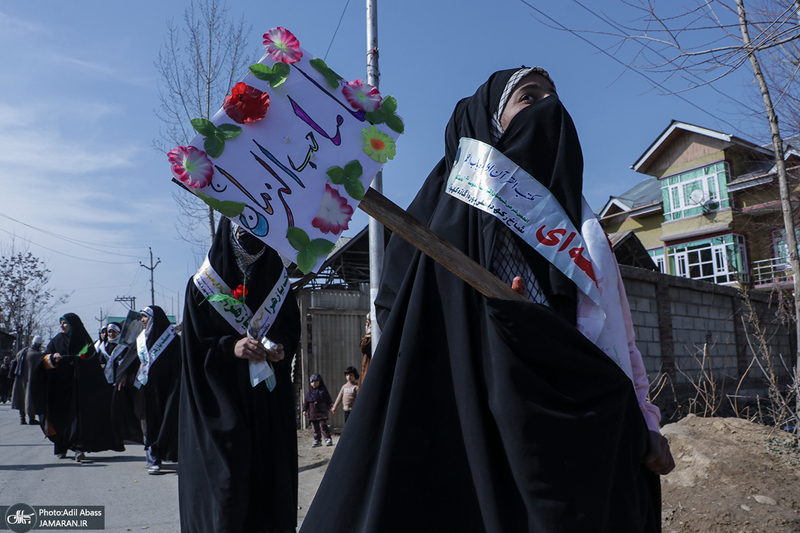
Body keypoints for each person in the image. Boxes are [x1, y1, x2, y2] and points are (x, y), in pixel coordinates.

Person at [299, 67, 673, 532]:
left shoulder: (584, 227)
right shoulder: (446, 216)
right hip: (472, 432)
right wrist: (509, 331)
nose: (549, 107)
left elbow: (621, 337)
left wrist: (647, 420)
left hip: (581, 442)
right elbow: (411, 323)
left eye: (553, 96)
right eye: (529, 96)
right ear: (488, 124)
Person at [179, 218, 301, 533]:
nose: (253, 239)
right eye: (246, 229)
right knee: (229, 482)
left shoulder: (278, 281)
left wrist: (280, 348)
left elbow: (288, 327)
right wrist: (231, 347)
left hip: (267, 402)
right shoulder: (201, 286)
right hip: (223, 399)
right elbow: (195, 349)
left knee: (268, 480)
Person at [38, 313, 123, 460]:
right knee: (60, 418)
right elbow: (44, 357)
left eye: (65, 323)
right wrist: (52, 358)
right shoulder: (57, 340)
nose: (62, 326)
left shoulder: (84, 342)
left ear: (73, 325)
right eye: (61, 323)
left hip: (80, 388)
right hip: (60, 388)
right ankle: (61, 447)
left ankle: (79, 448)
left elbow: (92, 364)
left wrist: (79, 364)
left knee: (79, 419)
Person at [134, 305, 181, 474]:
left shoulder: (173, 339)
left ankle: (164, 453)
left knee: (165, 421)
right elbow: (132, 361)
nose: (143, 321)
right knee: (148, 421)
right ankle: (153, 458)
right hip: (147, 390)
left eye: (145, 317)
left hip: (167, 389)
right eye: (141, 317)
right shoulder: (141, 339)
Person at [11, 336, 44, 425]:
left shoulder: (23, 351)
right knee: (29, 398)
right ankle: (32, 418)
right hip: (30, 379)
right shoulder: (36, 355)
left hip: (19, 378)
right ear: (39, 344)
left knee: (20, 397)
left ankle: (22, 418)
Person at [302, 373, 334, 447]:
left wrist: (331, 406)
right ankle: (317, 440)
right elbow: (306, 402)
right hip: (313, 413)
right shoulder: (309, 392)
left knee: (323, 426)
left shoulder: (323, 391)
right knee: (315, 428)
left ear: (320, 381)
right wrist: (304, 410)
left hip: (322, 412)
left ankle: (327, 439)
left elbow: (328, 400)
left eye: (316, 381)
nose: (314, 383)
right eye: (312, 382)